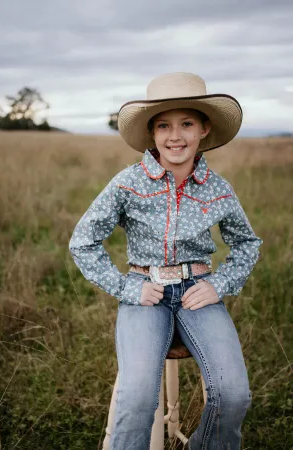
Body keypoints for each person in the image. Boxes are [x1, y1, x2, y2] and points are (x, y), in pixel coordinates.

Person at [69, 72, 263, 450]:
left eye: (186, 124)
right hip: (146, 290)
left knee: (234, 393)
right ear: (152, 134)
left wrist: (218, 285)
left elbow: (247, 242)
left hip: (197, 290)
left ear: (204, 128)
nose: (175, 136)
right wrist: (126, 286)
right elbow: (83, 241)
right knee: (139, 396)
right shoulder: (128, 183)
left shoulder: (217, 188)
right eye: (164, 126)